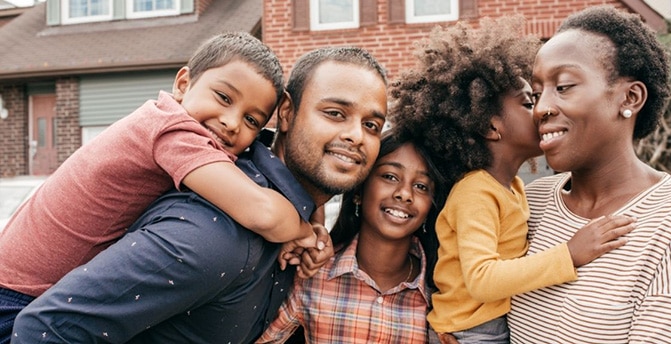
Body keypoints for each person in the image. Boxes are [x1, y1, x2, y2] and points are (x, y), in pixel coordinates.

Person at [9, 46, 389, 343]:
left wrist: (310, 223)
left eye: (372, 125)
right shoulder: (213, 232)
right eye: (336, 113)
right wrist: (303, 230)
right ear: (286, 114)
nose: (357, 135)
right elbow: (46, 330)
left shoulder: (273, 203)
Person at [389, 19, 637, 343]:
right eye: (528, 102)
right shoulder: (476, 192)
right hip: (470, 332)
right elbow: (482, 279)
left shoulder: (516, 188)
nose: (541, 111)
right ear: (491, 127)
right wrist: (570, 254)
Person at [506, 6, 671, 343]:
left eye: (563, 87)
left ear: (630, 97)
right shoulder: (528, 203)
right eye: (536, 93)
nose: (542, 107)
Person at [256, 131, 448, 343]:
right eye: (390, 176)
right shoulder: (313, 274)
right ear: (358, 191)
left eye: (421, 186)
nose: (404, 193)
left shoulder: (440, 295)